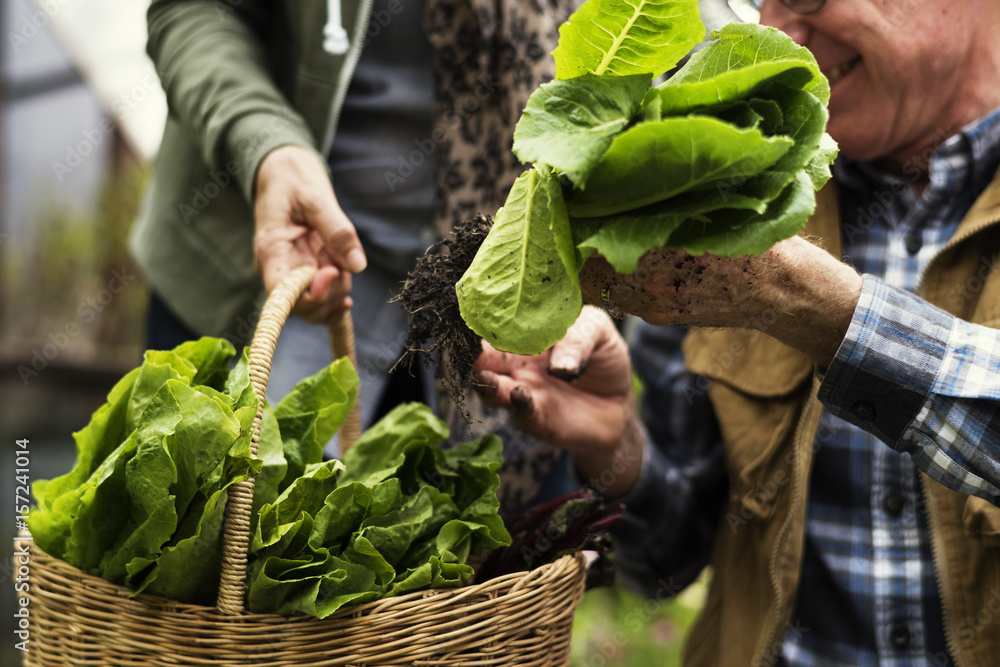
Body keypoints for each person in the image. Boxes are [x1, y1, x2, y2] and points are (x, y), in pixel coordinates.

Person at [473, 0, 1000, 664]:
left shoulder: (768, 264)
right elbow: (664, 558)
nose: (781, 31)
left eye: (808, 1)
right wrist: (616, 444)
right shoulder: (741, 184)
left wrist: (805, 302)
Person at [129, 0, 585, 516]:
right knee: (211, 531)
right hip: (264, 272)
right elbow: (194, 12)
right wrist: (266, 144)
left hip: (504, 317)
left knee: (485, 569)